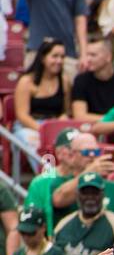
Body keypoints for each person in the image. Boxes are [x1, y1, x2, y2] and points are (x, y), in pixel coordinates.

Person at [13, 38, 72, 168]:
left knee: (77, 141)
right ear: (43, 58)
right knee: (37, 143)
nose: (59, 61)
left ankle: (69, 176)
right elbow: (22, 115)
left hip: (55, 124)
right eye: (54, 56)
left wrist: (63, 118)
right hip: (29, 126)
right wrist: (43, 131)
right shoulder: (27, 82)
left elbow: (66, 111)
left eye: (62, 57)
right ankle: (48, 177)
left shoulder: (64, 80)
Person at [25, 0, 89, 83]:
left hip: (67, 53)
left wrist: (84, 54)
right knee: (32, 88)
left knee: (69, 91)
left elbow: (80, 20)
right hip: (37, 51)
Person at [70, 36, 114, 120]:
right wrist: (112, 120)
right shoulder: (81, 80)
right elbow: (79, 116)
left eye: (93, 55)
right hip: (90, 128)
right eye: (86, 55)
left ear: (108, 57)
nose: (88, 59)